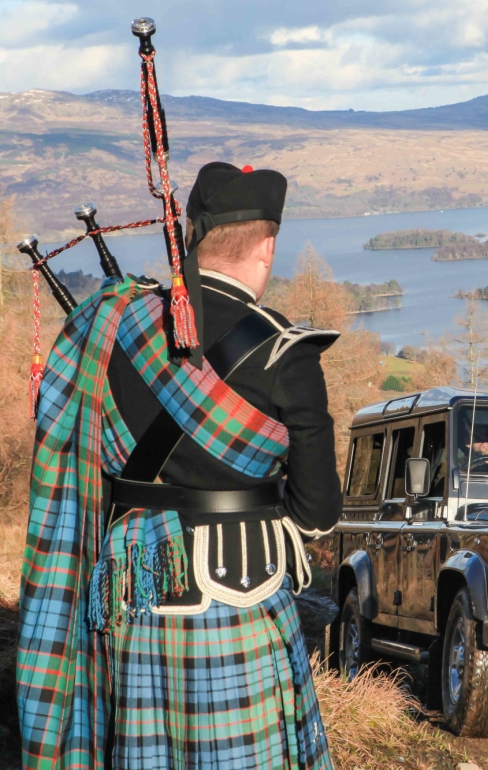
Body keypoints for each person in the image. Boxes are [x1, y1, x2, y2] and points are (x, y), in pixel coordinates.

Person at [18, 162, 341, 769]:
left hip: (127, 591)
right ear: (267, 244)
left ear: (193, 235)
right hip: (236, 597)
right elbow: (318, 516)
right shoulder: (286, 351)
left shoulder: (114, 324)